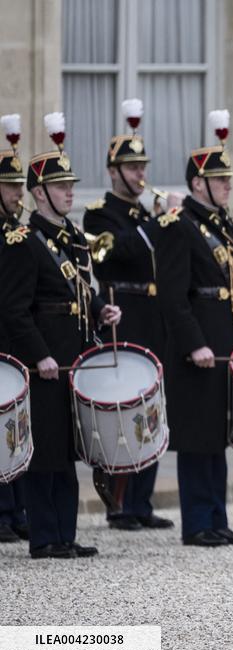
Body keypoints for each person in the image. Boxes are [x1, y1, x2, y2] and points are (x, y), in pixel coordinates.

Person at [0, 112, 122, 559]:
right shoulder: (22, 240)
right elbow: (14, 309)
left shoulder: (71, 237)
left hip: (73, 357)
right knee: (45, 449)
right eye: (61, 186)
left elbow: (77, 292)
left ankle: (65, 534)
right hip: (44, 360)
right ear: (38, 193)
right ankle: (44, 537)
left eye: (71, 185)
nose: (70, 191)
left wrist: (100, 312)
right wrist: (39, 355)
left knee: (69, 447)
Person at [156, 109, 233, 547]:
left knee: (217, 433)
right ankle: (198, 523)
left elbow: (228, 283)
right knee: (197, 435)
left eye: (229, 179)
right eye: (220, 180)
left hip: (225, 341)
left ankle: (217, 518)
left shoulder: (221, 224)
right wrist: (194, 345)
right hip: (197, 345)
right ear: (198, 184)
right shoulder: (178, 227)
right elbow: (172, 296)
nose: (228, 185)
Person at [83, 98, 173, 532]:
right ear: (113, 172)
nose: (141, 175)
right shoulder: (99, 213)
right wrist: (155, 225)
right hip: (126, 311)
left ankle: (142, 500)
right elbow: (110, 254)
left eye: (143, 167)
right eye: (132, 168)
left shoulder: (142, 215)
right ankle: (119, 501)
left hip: (154, 312)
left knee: (153, 403)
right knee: (126, 408)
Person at [0, 113, 30, 543]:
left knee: (20, 424)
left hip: (17, 334)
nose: (19, 193)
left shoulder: (19, 229)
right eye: (11, 186)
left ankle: (18, 509)